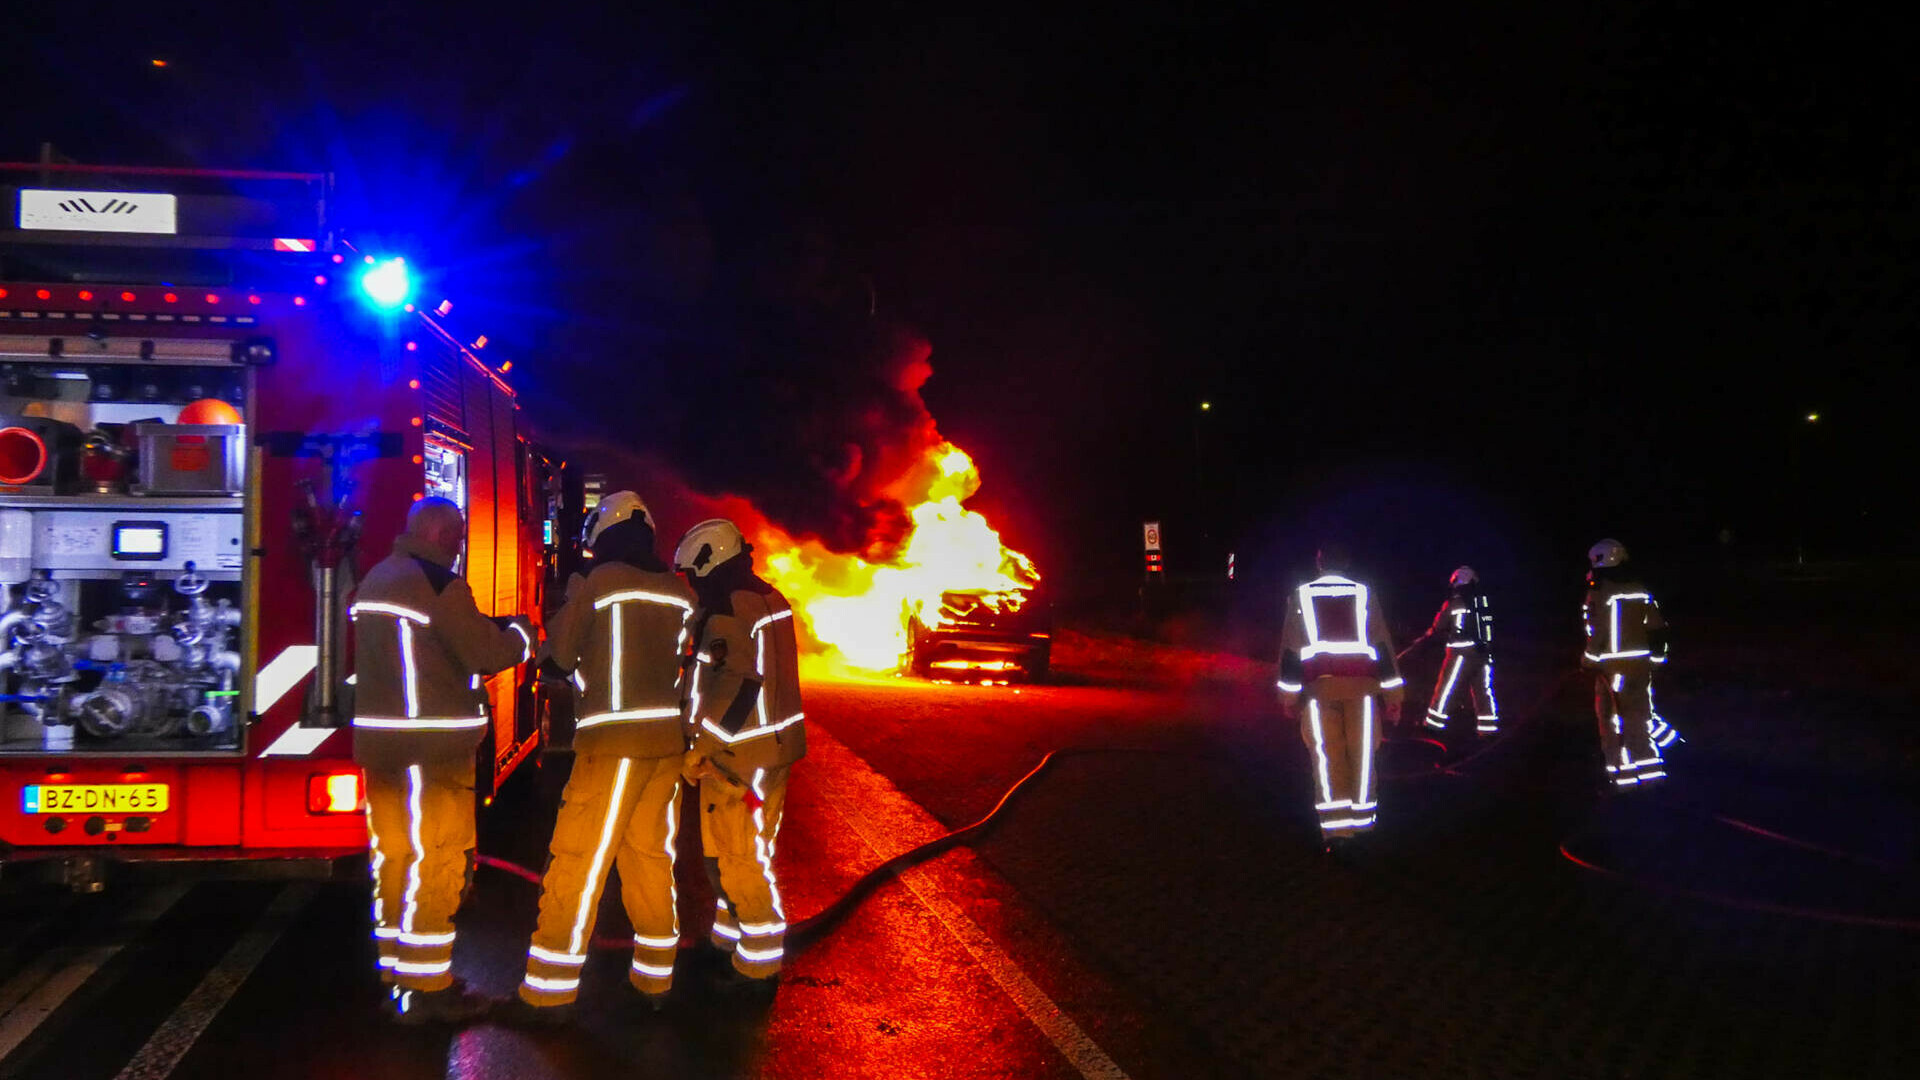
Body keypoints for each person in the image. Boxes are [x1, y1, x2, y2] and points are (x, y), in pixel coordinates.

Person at [503, 492, 697, 1024]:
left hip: (611, 746)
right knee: (650, 860)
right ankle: (655, 979)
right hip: (665, 748)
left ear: (602, 533)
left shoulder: (596, 584)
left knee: (578, 862)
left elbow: (560, 655)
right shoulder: (676, 591)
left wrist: (547, 638)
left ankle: (547, 992)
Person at [350, 496, 532, 1024]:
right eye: (455, 539)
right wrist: (521, 631)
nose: (458, 549)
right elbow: (485, 653)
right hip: (433, 752)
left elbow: (430, 642)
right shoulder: (439, 584)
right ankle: (429, 988)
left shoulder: (378, 579)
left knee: (394, 857)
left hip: (382, 748)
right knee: (440, 860)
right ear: (437, 534)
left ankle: (395, 970)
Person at [675, 519, 806, 994]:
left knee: (735, 858)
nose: (694, 583)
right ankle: (728, 938)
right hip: (777, 752)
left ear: (711, 561)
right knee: (755, 848)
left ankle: (757, 965)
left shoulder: (729, 609)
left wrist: (701, 748)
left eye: (695, 574)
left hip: (737, 759)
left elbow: (738, 684)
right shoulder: (769, 598)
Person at [1276, 543, 1405, 854]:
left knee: (1328, 758)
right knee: (1362, 758)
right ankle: (1364, 825)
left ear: (1319, 562)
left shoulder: (1301, 594)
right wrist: (1393, 696)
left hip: (1320, 690)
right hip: (1361, 689)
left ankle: (1337, 834)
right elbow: (1383, 646)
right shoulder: (1364, 593)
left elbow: (1290, 652)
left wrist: (1288, 697)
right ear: (1346, 563)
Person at [1581, 539, 1675, 790]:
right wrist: (1656, 660)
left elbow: (1597, 631)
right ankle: (1652, 773)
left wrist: (1588, 660)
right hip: (1640, 667)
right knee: (1639, 718)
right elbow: (1657, 629)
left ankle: (1622, 777)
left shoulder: (1600, 592)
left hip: (1611, 669)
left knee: (1612, 721)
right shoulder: (1641, 589)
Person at [1414, 566, 1500, 735]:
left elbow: (1439, 625)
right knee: (1483, 691)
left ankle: (1432, 726)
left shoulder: (1454, 602)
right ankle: (1488, 731)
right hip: (1483, 654)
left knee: (1447, 688)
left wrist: (1428, 634)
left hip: (1460, 653)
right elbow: (1489, 625)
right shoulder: (1482, 602)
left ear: (1456, 582)